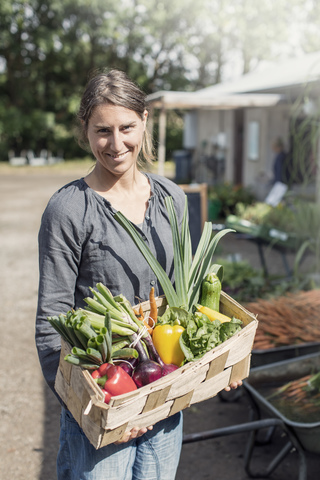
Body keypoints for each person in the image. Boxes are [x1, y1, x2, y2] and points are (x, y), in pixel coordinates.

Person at [35, 68, 241, 480]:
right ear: (85, 130)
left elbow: (189, 298)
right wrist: (95, 407)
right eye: (102, 131)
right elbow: (50, 325)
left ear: (145, 120)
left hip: (164, 392)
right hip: (104, 402)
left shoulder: (171, 199)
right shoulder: (70, 210)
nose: (116, 144)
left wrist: (221, 360)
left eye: (127, 127)